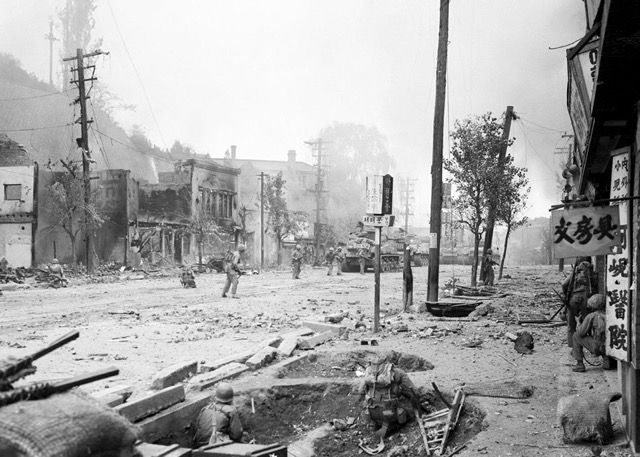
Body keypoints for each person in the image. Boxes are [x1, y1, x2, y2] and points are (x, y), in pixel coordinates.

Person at [357, 352, 425, 438]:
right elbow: (414, 393)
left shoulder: (368, 372)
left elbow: (360, 391)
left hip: (371, 412)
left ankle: (373, 424)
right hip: (388, 413)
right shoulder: (398, 373)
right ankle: (390, 427)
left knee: (368, 405)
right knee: (408, 414)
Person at [562, 257, 598, 348]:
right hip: (587, 300)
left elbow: (564, 284)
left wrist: (566, 295)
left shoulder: (575, 273)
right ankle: (590, 346)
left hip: (573, 299)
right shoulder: (592, 273)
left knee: (571, 325)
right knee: (588, 324)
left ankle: (573, 348)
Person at [194, 382, 243, 447]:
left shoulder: (205, 409)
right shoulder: (231, 411)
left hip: (200, 447)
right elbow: (236, 435)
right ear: (231, 399)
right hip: (217, 447)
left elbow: (197, 429)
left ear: (216, 397)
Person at [571, 294, 612, 372]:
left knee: (576, 336)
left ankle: (579, 364)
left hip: (597, 347)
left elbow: (580, 333)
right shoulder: (610, 314)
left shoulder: (592, 316)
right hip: (610, 346)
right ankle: (607, 360)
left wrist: (578, 322)